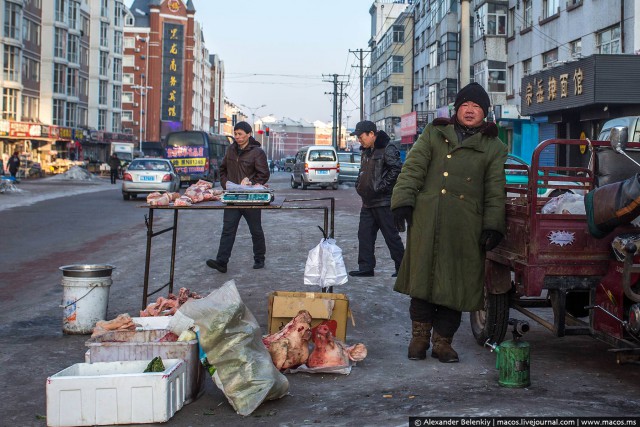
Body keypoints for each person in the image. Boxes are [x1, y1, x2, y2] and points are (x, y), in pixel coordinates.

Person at [391, 82, 507, 363]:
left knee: (455, 285)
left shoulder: (494, 147)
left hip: (465, 225)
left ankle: (443, 342)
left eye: (477, 107)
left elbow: (495, 188)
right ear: (457, 109)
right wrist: (403, 201)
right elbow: (414, 167)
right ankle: (419, 338)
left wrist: (492, 224)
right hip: (428, 218)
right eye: (466, 105)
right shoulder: (434, 132)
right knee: (423, 280)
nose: (470, 110)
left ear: (485, 114)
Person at [206, 121, 270, 273]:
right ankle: (222, 262)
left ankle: (259, 258)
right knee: (228, 230)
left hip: (251, 197)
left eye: (240, 134)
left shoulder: (257, 152)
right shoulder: (230, 150)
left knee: (255, 229)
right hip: (232, 197)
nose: (237, 137)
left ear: (249, 134)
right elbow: (222, 170)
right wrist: (225, 184)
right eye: (235, 134)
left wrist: (251, 183)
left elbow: (264, 174)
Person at [348, 120, 405, 278]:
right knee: (364, 235)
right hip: (367, 202)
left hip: (384, 202)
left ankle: (403, 269)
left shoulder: (387, 147)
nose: (359, 140)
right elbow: (362, 171)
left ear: (371, 134)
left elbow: (396, 169)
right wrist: (359, 185)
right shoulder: (366, 150)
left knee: (391, 236)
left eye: (361, 136)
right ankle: (365, 267)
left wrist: (382, 188)